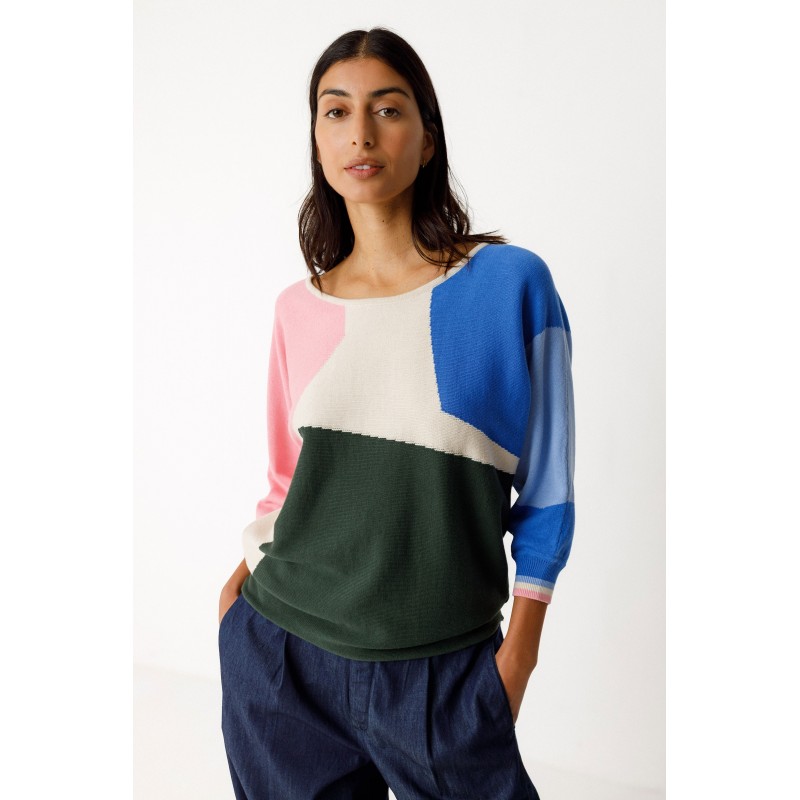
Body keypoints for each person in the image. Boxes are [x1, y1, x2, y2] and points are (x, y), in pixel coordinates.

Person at [217, 27, 575, 800]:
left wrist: (517, 658)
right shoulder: (298, 309)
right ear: (317, 141)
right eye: (336, 111)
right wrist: (235, 602)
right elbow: (286, 486)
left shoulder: (510, 285)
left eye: (387, 109)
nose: (361, 133)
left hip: (441, 676)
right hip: (281, 660)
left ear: (427, 137)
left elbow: (549, 493)